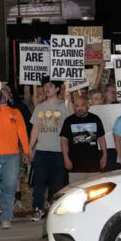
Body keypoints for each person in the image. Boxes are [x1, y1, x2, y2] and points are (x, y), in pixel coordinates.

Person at [0, 83, 30, 230]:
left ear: (10, 95)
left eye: (6, 91)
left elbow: (22, 132)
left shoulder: (15, 112)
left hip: (12, 156)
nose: (3, 93)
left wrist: (27, 151)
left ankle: (6, 217)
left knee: (10, 187)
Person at [28, 77, 68, 221]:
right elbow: (35, 129)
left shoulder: (64, 106)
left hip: (58, 151)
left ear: (57, 89)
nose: (47, 88)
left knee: (57, 183)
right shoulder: (39, 107)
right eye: (45, 86)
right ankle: (38, 209)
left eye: (50, 86)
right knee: (39, 182)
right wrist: (29, 148)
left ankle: (54, 210)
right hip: (42, 151)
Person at [60, 95, 107, 183]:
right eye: (77, 106)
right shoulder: (68, 121)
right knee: (75, 191)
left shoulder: (95, 119)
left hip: (93, 164)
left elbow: (101, 138)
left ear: (88, 105)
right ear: (74, 106)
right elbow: (64, 140)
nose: (79, 108)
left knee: (95, 190)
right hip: (75, 165)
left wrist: (104, 155)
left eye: (82, 105)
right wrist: (66, 158)